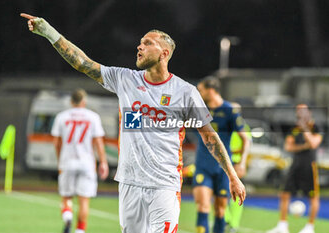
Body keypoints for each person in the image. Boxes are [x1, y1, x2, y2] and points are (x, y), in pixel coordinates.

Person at [21, 13, 246, 233]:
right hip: (129, 184)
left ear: (164, 53)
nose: (139, 47)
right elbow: (83, 63)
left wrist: (232, 176)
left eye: (147, 43)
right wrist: (49, 32)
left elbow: (209, 136)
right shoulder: (125, 80)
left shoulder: (185, 92)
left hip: (164, 186)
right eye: (140, 43)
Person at [193, 78, 250, 233]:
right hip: (203, 166)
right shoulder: (200, 109)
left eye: (201, 90)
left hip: (223, 169)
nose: (199, 93)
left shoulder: (229, 110)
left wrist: (242, 163)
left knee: (220, 210)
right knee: (203, 206)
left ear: (211, 90)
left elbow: (246, 139)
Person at [51, 89, 109, 233]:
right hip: (87, 163)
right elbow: (98, 142)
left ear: (71, 101)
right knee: (84, 201)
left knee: (66, 197)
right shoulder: (93, 117)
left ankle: (67, 215)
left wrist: (60, 161)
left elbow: (57, 143)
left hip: (67, 162)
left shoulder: (61, 117)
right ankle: (80, 231)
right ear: (84, 101)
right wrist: (103, 162)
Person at [267, 104, 323, 233]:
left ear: (309, 112)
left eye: (303, 110)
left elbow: (314, 143)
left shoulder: (315, 127)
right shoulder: (294, 128)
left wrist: (305, 129)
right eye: (298, 110)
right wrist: (304, 146)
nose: (300, 113)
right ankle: (282, 225)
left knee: (313, 197)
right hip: (295, 164)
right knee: (285, 194)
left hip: (309, 166)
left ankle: (310, 227)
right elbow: (288, 147)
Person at [225, 121, 252, 233]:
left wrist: (241, 163)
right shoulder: (224, 125)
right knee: (220, 192)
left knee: (236, 194)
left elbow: (247, 145)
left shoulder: (243, 128)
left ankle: (233, 224)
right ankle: (226, 219)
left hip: (236, 163)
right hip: (224, 163)